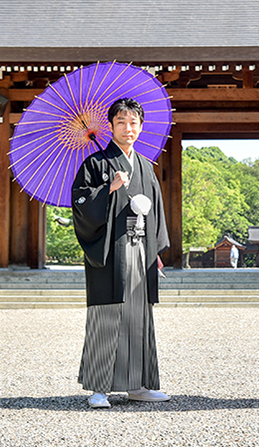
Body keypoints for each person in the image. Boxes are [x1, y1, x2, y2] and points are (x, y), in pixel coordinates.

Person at [72, 98, 170, 409]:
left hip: (141, 247)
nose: (128, 129)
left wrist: (154, 249)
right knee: (108, 314)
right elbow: (81, 205)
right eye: (121, 123)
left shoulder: (145, 166)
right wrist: (109, 188)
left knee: (138, 316)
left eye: (133, 123)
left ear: (140, 127)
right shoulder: (95, 164)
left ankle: (138, 385)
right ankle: (99, 387)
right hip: (111, 248)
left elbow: (156, 212)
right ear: (111, 126)